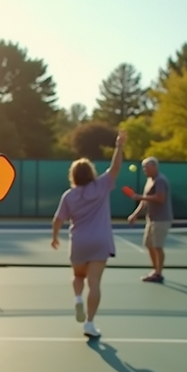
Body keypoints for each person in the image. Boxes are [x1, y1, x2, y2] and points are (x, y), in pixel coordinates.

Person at [50, 130, 127, 338]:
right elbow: (116, 167)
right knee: (94, 284)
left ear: (73, 176)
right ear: (91, 173)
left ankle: (77, 298)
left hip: (79, 242)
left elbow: (57, 219)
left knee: (77, 276)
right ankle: (90, 324)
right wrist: (119, 146)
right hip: (100, 242)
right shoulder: (102, 185)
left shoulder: (69, 195)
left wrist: (55, 237)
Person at [127, 156, 173, 283]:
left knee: (158, 247)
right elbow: (144, 201)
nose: (144, 170)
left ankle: (159, 273)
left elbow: (160, 198)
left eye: (146, 167)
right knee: (149, 245)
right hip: (151, 219)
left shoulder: (160, 181)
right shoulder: (149, 180)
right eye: (143, 167)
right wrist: (135, 214)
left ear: (154, 167)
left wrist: (140, 196)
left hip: (161, 219)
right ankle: (155, 270)